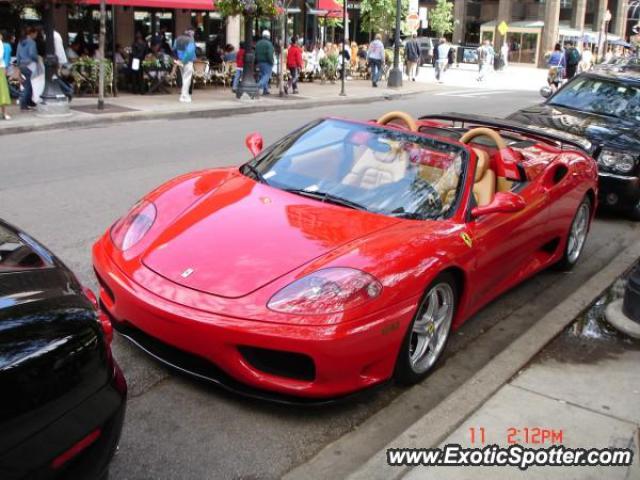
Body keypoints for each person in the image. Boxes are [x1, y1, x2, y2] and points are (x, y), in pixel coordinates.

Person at [16, 27, 39, 110]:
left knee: (27, 84)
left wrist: (18, 67)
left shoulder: (20, 42)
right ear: (32, 33)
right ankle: (24, 104)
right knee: (29, 85)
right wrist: (38, 59)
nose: (36, 35)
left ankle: (29, 101)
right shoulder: (32, 42)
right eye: (36, 33)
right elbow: (32, 54)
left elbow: (18, 56)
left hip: (22, 65)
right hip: (29, 65)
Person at [174, 28, 196, 103]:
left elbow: (174, 49)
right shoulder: (190, 40)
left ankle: (184, 95)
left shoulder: (177, 39)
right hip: (187, 61)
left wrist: (177, 59)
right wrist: (184, 61)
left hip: (179, 60)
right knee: (187, 79)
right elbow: (189, 52)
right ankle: (184, 96)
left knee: (184, 78)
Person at [255, 30, 274, 95]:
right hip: (267, 62)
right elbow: (270, 54)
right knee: (266, 75)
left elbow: (256, 53)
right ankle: (258, 86)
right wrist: (271, 61)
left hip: (259, 62)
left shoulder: (258, 43)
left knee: (263, 75)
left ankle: (266, 90)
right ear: (268, 36)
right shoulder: (269, 44)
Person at [0, 31, 11, 120]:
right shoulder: (5, 45)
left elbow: (3, 58)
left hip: (1, 68)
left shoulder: (3, 45)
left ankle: (4, 112)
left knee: (2, 91)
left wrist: (5, 68)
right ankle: (4, 113)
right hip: (2, 68)